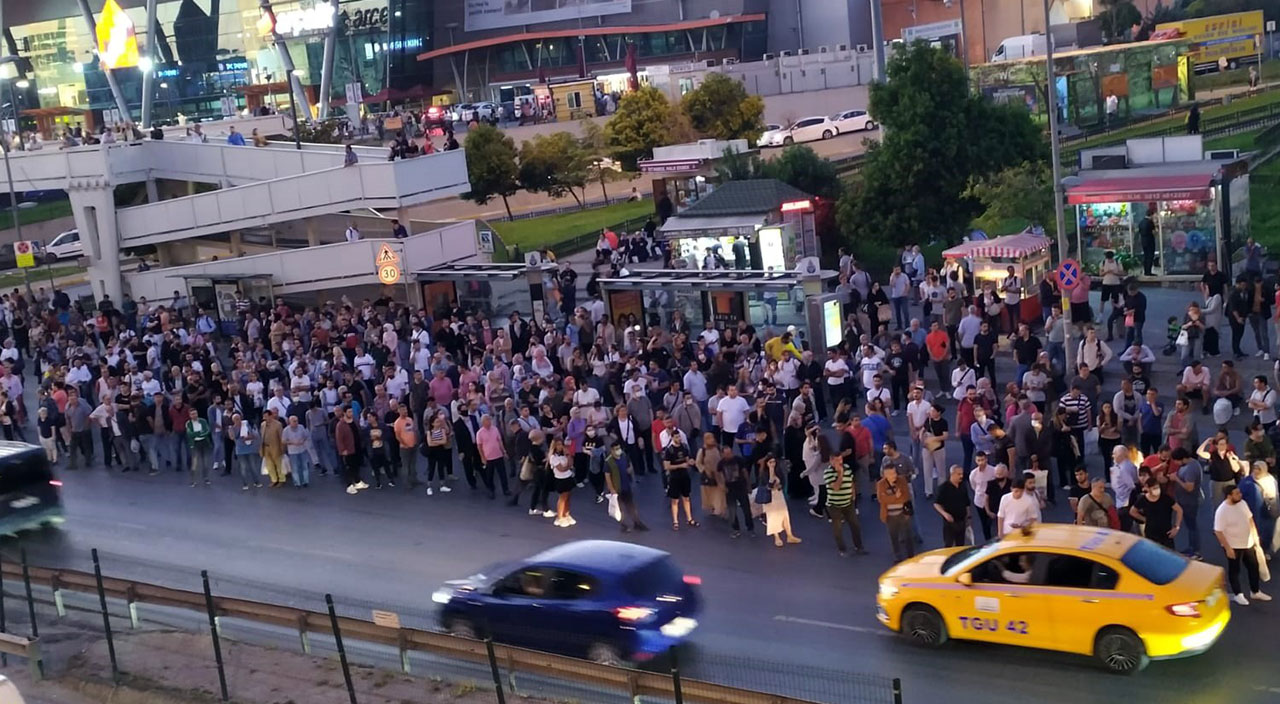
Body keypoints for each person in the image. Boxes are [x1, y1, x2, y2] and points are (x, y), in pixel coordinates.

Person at [1214, 483, 1269, 605]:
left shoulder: (1242, 504)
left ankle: (1255, 591)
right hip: (1233, 546)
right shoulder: (1222, 511)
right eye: (1237, 493)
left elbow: (1250, 520)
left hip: (1248, 543)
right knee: (1235, 570)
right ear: (1229, 496)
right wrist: (1228, 548)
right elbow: (1218, 531)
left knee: (1253, 567)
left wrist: (1255, 538)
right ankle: (1238, 594)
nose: (1240, 495)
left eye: (1239, 492)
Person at [824, 455, 865, 555]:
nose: (839, 462)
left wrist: (853, 495)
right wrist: (840, 474)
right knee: (838, 528)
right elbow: (836, 487)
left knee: (855, 525)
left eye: (840, 459)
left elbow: (851, 482)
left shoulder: (847, 468)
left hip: (848, 503)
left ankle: (859, 547)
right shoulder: (828, 473)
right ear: (831, 461)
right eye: (836, 460)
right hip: (834, 505)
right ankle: (842, 549)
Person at [661, 430, 699, 530]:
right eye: (676, 437)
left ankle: (690, 518)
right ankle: (675, 521)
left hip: (685, 476)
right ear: (672, 438)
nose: (679, 439)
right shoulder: (669, 450)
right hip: (674, 477)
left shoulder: (684, 447)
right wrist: (680, 465)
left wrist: (691, 462)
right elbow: (666, 466)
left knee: (686, 498)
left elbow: (687, 459)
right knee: (675, 500)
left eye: (679, 437)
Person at [876, 463, 914, 561]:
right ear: (885, 475)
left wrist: (890, 498)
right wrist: (895, 497)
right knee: (894, 537)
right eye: (890, 474)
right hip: (889, 516)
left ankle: (911, 555)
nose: (894, 476)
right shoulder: (880, 484)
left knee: (908, 535)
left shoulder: (902, 481)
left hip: (903, 514)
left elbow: (906, 497)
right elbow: (881, 499)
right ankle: (897, 556)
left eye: (894, 473)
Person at [1130, 479, 1182, 549]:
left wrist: (1176, 527)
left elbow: (1179, 510)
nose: (1157, 490)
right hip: (1151, 534)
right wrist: (1145, 519)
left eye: (1157, 487)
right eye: (1154, 488)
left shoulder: (1165, 498)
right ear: (1148, 489)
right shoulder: (1143, 499)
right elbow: (1132, 511)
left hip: (1166, 534)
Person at [719, 448, 754, 538]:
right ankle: (736, 529)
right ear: (723, 454)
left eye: (730, 453)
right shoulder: (721, 463)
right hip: (730, 490)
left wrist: (748, 485)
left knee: (746, 510)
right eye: (727, 454)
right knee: (732, 511)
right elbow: (719, 475)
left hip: (741, 488)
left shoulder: (739, 460)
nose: (729, 455)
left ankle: (750, 528)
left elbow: (745, 472)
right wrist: (722, 485)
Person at [934, 464, 970, 547]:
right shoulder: (944, 488)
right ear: (952, 474)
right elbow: (936, 504)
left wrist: (968, 516)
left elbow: (967, 502)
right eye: (959, 474)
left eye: (962, 474)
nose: (961, 476)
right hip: (950, 523)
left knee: (960, 545)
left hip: (962, 521)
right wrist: (945, 514)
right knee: (948, 544)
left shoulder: (963, 486)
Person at [548, 437, 575, 527]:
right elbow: (561, 469)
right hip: (560, 479)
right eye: (558, 445)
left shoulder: (565, 454)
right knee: (562, 498)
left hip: (568, 477)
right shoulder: (553, 457)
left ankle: (566, 514)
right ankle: (559, 517)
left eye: (561, 444)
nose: (560, 446)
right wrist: (568, 467)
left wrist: (568, 455)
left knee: (568, 497)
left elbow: (571, 463)